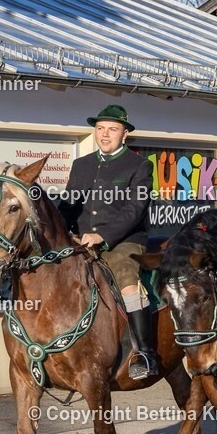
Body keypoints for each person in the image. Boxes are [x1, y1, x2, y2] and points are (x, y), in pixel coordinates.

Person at [59, 105, 157, 380]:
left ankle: (145, 354)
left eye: (112, 129)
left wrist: (102, 236)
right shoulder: (82, 165)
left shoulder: (140, 165)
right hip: (82, 241)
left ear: (124, 134)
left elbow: (135, 209)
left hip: (123, 242)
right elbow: (69, 204)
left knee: (128, 282)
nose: (105, 134)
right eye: (100, 128)